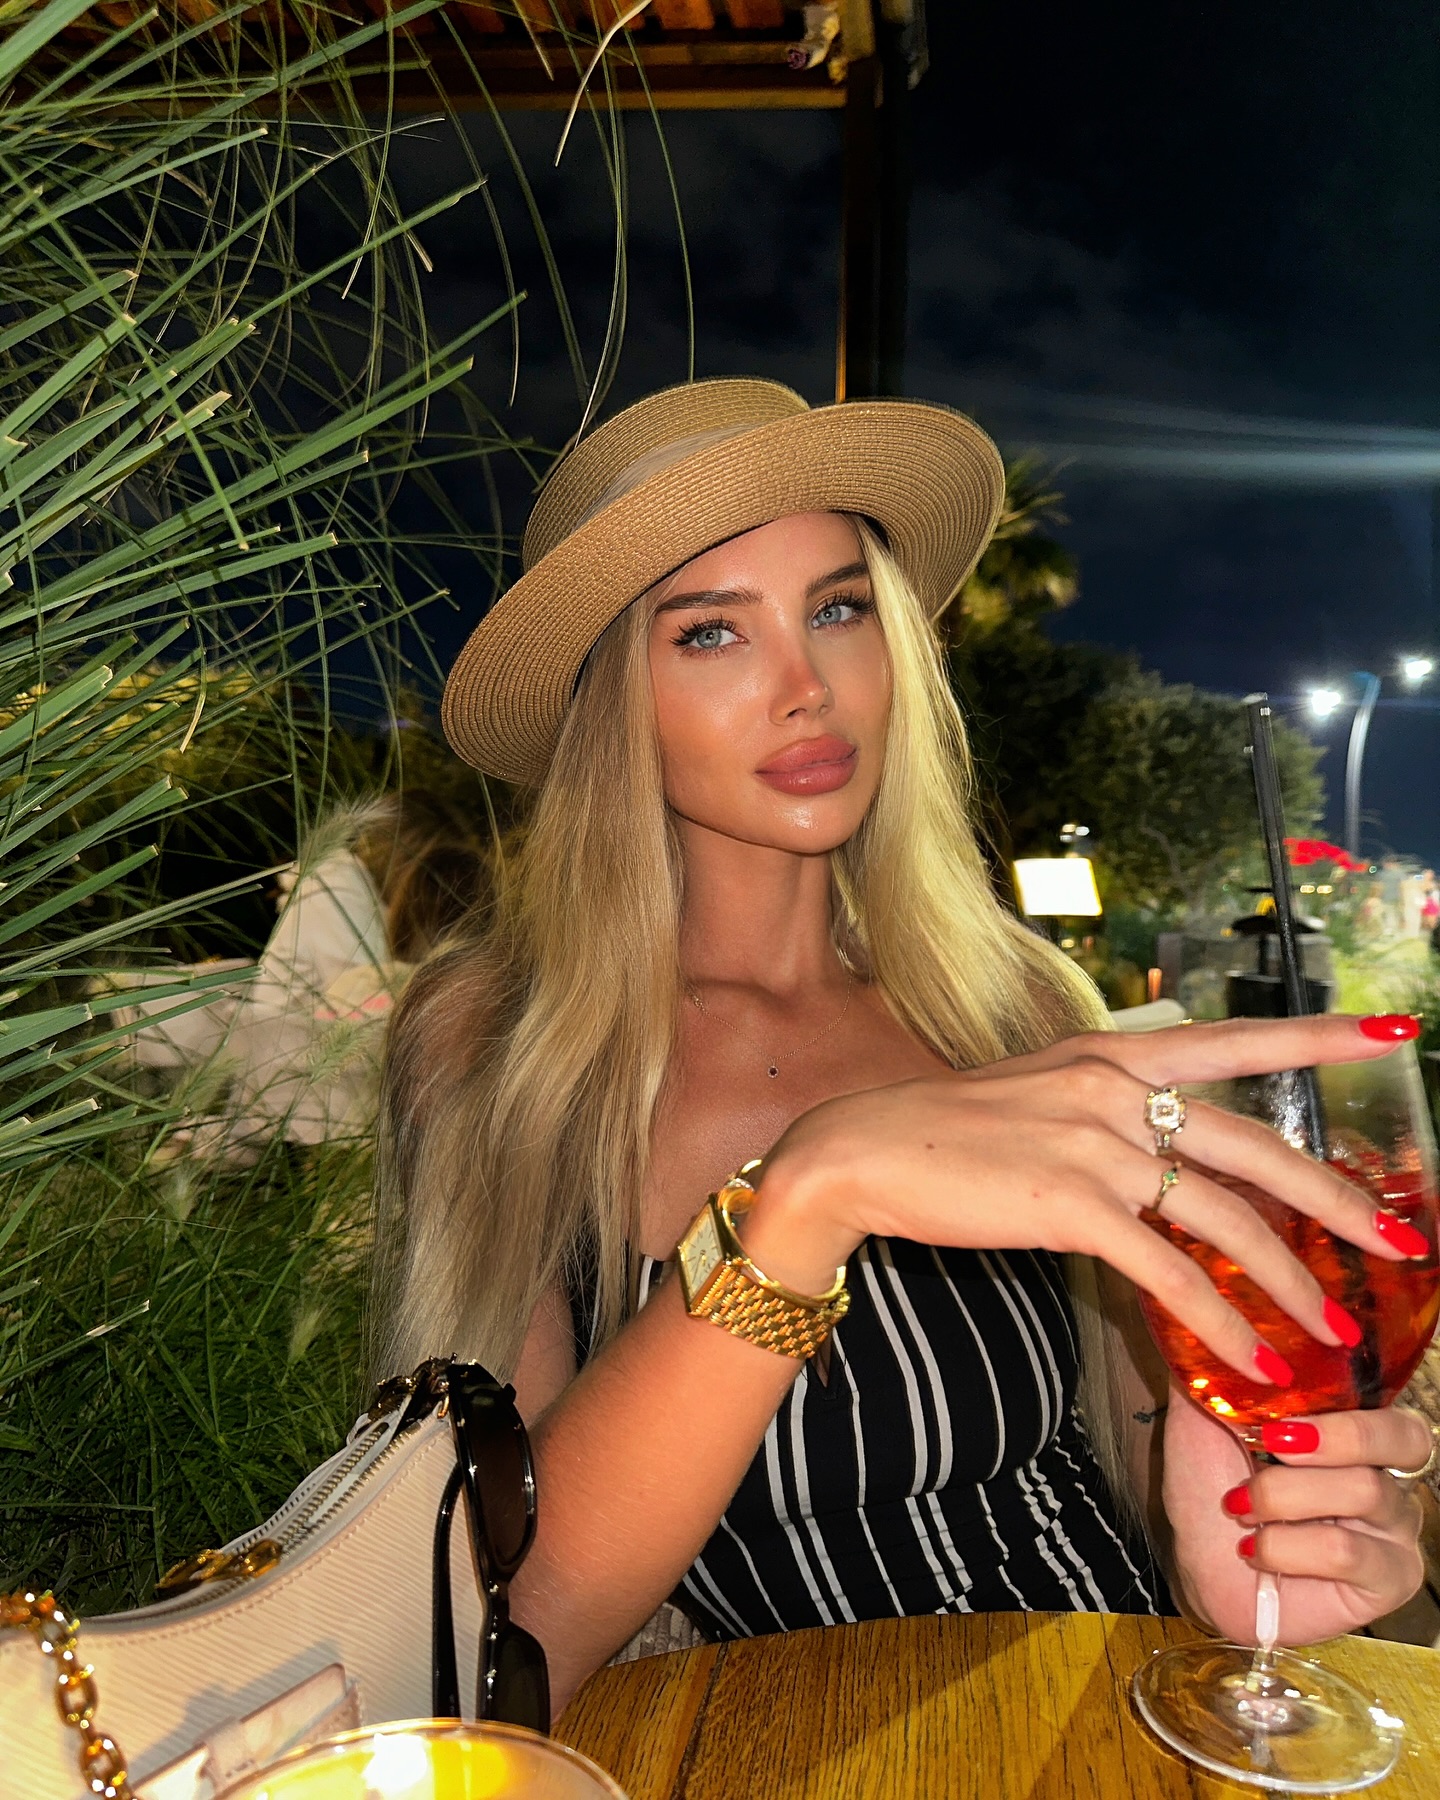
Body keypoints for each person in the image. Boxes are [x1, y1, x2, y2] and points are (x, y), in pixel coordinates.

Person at [375, 379, 1435, 1714]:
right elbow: (499, 1633)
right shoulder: (497, 1042)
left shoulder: (1019, 1008)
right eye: (711, 633)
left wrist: (1269, 1558)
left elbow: (1158, 1436)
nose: (807, 688)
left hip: (1113, 1702)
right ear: (610, 706)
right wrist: (805, 1195)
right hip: (785, 1750)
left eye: (838, 610)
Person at [117, 790, 489, 1158]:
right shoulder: (340, 892)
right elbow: (375, 1009)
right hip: (275, 1098)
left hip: (279, 1092)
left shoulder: (343, 889)